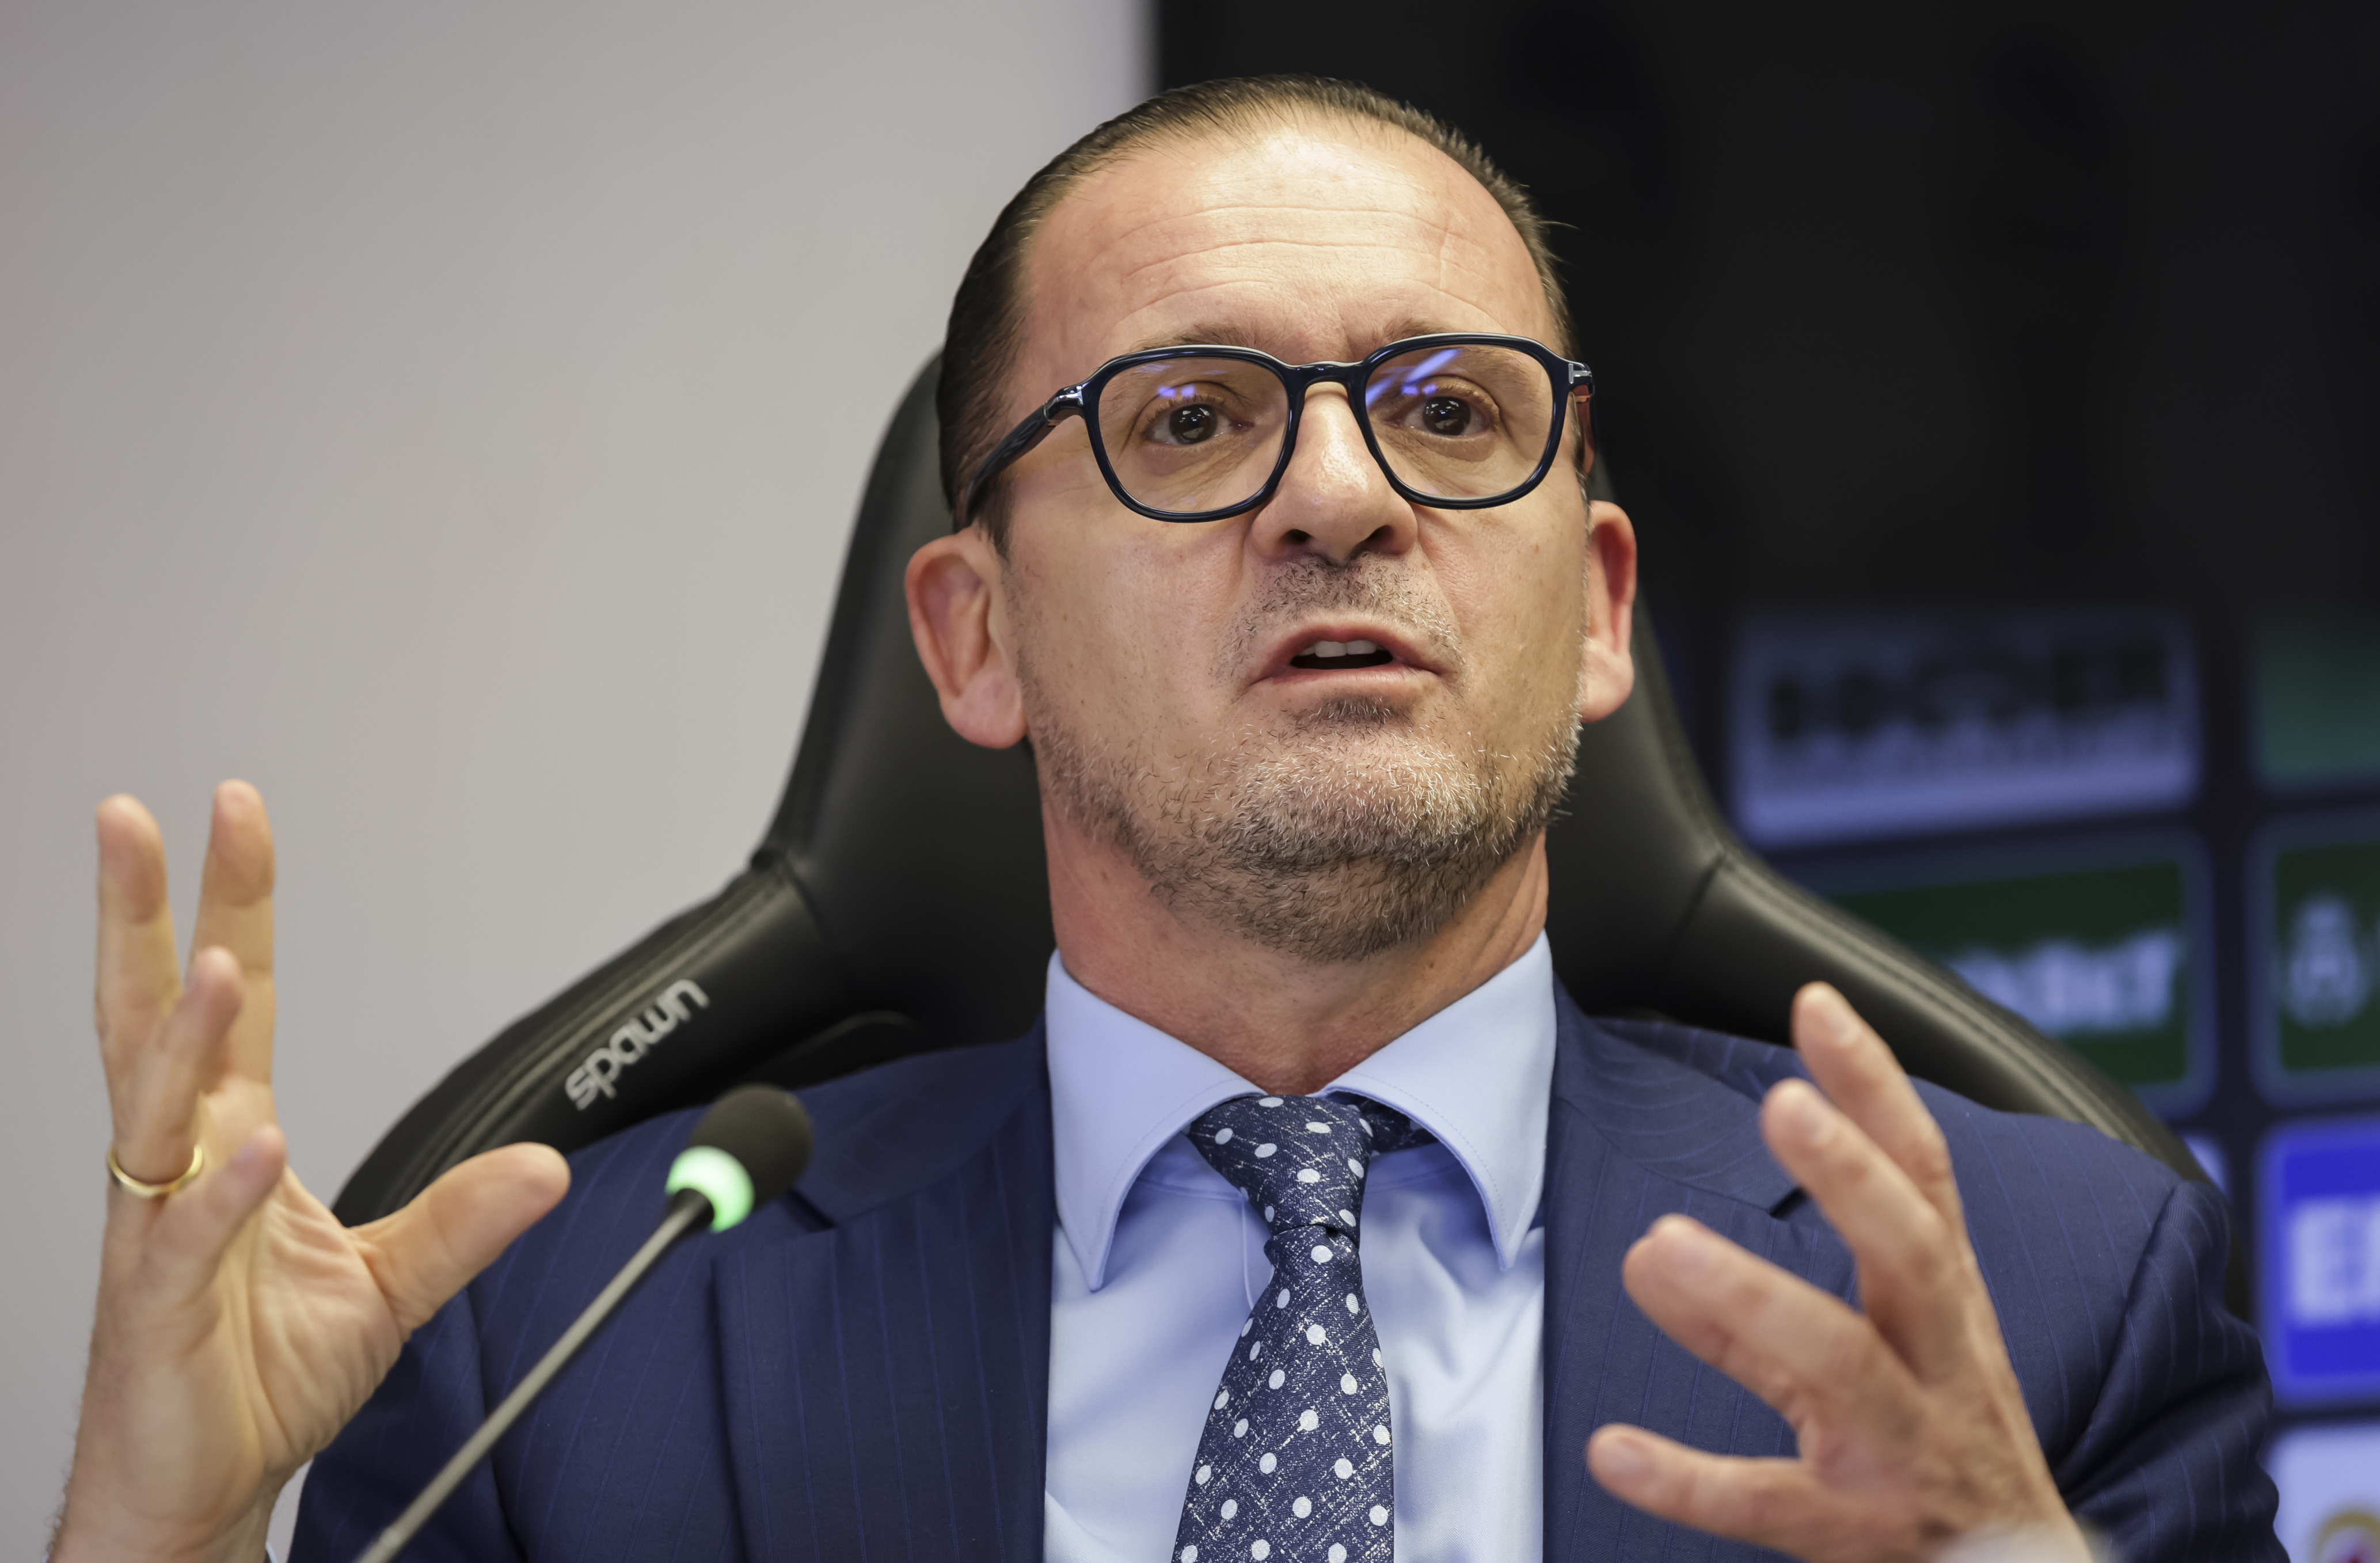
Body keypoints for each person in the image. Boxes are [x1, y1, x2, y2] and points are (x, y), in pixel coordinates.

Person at [53, 77, 2275, 1563]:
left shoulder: (2050, 1302)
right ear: (973, 640)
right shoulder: (575, 1358)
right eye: (1195, 417)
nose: (1343, 495)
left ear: (1596, 607)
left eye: (1453, 410)